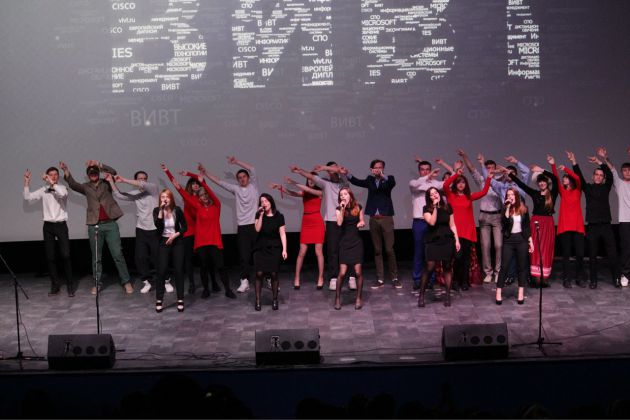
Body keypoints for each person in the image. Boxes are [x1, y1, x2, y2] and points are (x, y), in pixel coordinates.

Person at [60, 160, 133, 294]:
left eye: (95, 173)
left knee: (117, 254)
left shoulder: (107, 183)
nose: (93, 175)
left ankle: (126, 281)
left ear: (98, 173)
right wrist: (66, 170)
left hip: (110, 224)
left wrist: (99, 164)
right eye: (91, 173)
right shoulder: (85, 187)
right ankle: (97, 283)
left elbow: (113, 172)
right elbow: (73, 184)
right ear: (88, 175)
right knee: (96, 257)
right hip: (95, 225)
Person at [168, 164, 237, 300]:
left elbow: (209, 192)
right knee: (204, 267)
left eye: (205, 194)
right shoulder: (198, 207)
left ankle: (228, 289)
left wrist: (200, 182)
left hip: (214, 242)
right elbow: (183, 193)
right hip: (201, 243)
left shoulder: (216, 206)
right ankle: (206, 289)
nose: (204, 196)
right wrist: (173, 180)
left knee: (220, 266)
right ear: (198, 198)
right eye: (201, 195)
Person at [108, 170, 172, 294]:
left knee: (158, 257)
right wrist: (111, 181)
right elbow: (119, 195)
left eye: (144, 178)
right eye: (139, 178)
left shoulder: (153, 189)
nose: (142, 180)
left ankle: (166, 280)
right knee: (140, 257)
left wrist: (123, 180)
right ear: (136, 180)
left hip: (155, 229)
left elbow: (143, 185)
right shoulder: (136, 194)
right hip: (141, 229)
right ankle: (147, 281)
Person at [203, 156, 260, 294]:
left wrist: (236, 162)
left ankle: (268, 278)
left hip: (256, 225)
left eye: (244, 176)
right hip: (243, 227)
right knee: (244, 256)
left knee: (261, 254)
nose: (242, 179)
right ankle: (244, 281)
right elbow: (219, 182)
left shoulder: (254, 186)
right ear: (237, 180)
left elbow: (252, 168)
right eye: (239, 178)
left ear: (248, 178)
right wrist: (205, 173)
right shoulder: (236, 189)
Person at [290, 162, 350, 291]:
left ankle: (351, 277)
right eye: (330, 169)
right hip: (331, 220)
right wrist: (299, 171)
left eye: (335, 168)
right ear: (328, 173)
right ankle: (333, 278)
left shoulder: (344, 182)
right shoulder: (325, 184)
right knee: (332, 251)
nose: (334, 170)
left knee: (347, 248)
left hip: (346, 219)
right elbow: (311, 177)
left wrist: (323, 167)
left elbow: (342, 170)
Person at [163, 165, 218, 296]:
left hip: (202, 231)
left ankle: (213, 282)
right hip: (189, 231)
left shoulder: (204, 199)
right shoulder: (187, 196)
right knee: (188, 259)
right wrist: (167, 172)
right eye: (193, 183)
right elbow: (176, 185)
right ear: (190, 186)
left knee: (207, 260)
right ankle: (192, 284)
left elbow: (203, 182)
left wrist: (189, 173)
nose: (196, 185)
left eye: (197, 183)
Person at [568, 149, 619, 288]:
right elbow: (579, 177)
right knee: (592, 255)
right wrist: (574, 161)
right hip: (592, 226)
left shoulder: (606, 187)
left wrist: (599, 162)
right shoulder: (588, 188)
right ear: (593, 176)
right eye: (596, 174)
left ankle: (616, 279)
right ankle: (593, 280)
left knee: (612, 253)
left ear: (603, 178)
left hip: (606, 225)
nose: (598, 177)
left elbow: (610, 175)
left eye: (601, 175)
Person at [347, 159, 400, 289]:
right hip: (373, 219)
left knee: (389, 249)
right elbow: (357, 181)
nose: (378, 169)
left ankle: (394, 277)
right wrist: (347, 174)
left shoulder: (388, 179)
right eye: (375, 167)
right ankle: (380, 278)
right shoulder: (370, 180)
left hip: (386, 217)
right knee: (377, 250)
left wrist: (382, 175)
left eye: (380, 167)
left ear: (383, 169)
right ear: (371, 169)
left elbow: (392, 183)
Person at [441, 162, 492, 291]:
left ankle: (464, 282)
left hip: (468, 231)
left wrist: (489, 178)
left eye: (463, 182)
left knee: (466, 259)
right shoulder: (451, 195)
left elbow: (484, 192)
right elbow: (445, 185)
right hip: (455, 232)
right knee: (457, 257)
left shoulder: (469, 196)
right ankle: (455, 281)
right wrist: (456, 174)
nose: (461, 184)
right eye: (459, 182)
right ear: (455, 184)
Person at [23, 167, 74, 296]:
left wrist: (51, 183)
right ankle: (55, 285)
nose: (53, 177)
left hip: (61, 225)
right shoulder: (43, 190)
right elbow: (28, 197)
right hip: (48, 227)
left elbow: (62, 195)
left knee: (66, 255)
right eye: (50, 175)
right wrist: (27, 182)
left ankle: (70, 285)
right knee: (50, 257)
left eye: (55, 174)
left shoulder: (62, 188)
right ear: (47, 176)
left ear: (58, 176)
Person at [509, 159, 559, 286]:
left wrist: (541, 170)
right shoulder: (535, 193)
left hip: (547, 224)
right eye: (540, 181)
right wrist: (509, 174)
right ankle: (535, 278)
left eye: (543, 181)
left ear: (547, 182)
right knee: (535, 249)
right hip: (536, 222)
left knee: (546, 249)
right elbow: (522, 185)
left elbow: (555, 179)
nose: (541, 183)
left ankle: (544, 278)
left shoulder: (553, 194)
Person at [270, 174, 325, 289]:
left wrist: (293, 182)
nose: (310, 181)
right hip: (306, 223)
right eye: (309, 179)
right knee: (302, 252)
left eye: (312, 179)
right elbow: (293, 193)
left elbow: (308, 190)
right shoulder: (304, 192)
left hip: (317, 222)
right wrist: (280, 188)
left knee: (318, 251)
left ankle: (321, 277)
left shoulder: (319, 192)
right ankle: (297, 277)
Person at [459, 150, 503, 285]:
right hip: (484, 216)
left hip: (497, 216)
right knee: (485, 245)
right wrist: (465, 156)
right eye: (487, 168)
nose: (489, 170)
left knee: (498, 245)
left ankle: (498, 271)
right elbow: (471, 169)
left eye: (492, 168)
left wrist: (502, 171)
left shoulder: (500, 181)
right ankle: (488, 272)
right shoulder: (482, 180)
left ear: (495, 169)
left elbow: (509, 174)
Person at [417, 187, 460, 307]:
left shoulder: (447, 207)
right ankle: (421, 294)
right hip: (433, 240)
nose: (435, 195)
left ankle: (447, 295)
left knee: (447, 266)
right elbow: (432, 222)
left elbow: (452, 225)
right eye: (431, 194)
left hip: (447, 239)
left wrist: (457, 240)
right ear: (429, 198)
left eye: (436, 193)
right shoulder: (426, 208)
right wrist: (435, 208)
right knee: (429, 267)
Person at [551, 154, 586, 288]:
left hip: (577, 226)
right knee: (566, 254)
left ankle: (579, 278)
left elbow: (577, 178)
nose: (564, 179)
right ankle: (567, 279)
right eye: (564, 178)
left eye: (566, 178)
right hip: (565, 226)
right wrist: (553, 164)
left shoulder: (578, 190)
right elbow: (556, 178)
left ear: (570, 180)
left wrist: (566, 168)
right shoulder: (562, 191)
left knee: (580, 254)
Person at [408, 158, 443, 290]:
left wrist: (453, 170)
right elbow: (416, 184)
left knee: (431, 252)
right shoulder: (414, 183)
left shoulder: (435, 184)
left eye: (428, 170)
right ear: (419, 171)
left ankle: (431, 279)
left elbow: (448, 183)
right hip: (419, 222)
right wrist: (428, 176)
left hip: (432, 222)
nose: (426, 172)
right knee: (418, 252)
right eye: (423, 170)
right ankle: (417, 279)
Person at [495, 188, 534, 305]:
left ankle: (520, 292)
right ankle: (498, 292)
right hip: (509, 241)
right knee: (504, 266)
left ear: (516, 196)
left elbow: (526, 227)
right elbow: (505, 223)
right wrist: (507, 208)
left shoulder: (524, 209)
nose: (510, 196)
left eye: (512, 194)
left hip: (521, 240)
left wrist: (530, 241)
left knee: (521, 267)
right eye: (508, 195)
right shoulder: (505, 209)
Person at [599, 147, 630, 287]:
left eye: (629, 170)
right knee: (626, 249)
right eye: (625, 170)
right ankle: (625, 274)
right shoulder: (619, 183)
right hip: (625, 221)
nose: (627, 172)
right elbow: (612, 170)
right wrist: (605, 157)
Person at [153, 189, 187, 312]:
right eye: (162, 197)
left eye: (167, 196)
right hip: (163, 242)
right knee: (161, 270)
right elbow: (158, 227)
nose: (165, 199)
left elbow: (185, 226)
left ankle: (180, 299)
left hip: (177, 242)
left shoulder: (177, 210)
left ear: (171, 198)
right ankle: (159, 299)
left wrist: (175, 235)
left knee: (178, 270)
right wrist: (161, 211)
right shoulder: (156, 211)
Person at [253, 193, 288, 311]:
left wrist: (284, 249)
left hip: (274, 248)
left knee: (274, 273)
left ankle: (274, 299)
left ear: (271, 202)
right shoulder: (258, 214)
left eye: (266, 201)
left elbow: (282, 234)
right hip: (260, 248)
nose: (264, 203)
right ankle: (258, 300)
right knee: (259, 273)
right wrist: (260, 215)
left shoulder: (279, 216)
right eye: (262, 201)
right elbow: (257, 229)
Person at [334, 187, 366, 310]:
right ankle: (337, 298)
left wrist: (361, 223)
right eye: (341, 195)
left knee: (358, 272)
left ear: (350, 196)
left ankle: (358, 298)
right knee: (342, 273)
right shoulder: (339, 209)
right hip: (344, 243)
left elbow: (362, 220)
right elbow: (339, 223)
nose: (343, 196)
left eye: (345, 194)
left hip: (356, 243)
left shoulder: (358, 207)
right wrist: (342, 208)